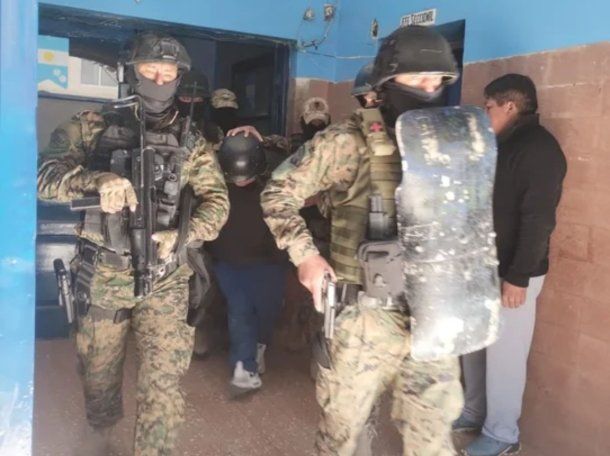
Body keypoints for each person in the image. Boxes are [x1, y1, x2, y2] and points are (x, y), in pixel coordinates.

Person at [260, 25, 463, 455]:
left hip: (433, 311)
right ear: (387, 82)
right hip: (364, 316)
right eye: (416, 79)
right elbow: (277, 193)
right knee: (342, 434)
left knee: (433, 437)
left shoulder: (449, 141)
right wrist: (305, 256)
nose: (429, 90)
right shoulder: (347, 141)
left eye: (437, 81)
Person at [37, 32, 229, 455]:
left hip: (167, 275)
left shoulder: (192, 141)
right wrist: (96, 180)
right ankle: (102, 431)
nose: (160, 80)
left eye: (169, 72)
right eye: (150, 70)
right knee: (98, 373)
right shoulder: (91, 125)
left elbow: (218, 203)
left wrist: (183, 235)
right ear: (130, 72)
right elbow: (44, 177)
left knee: (164, 383)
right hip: (104, 274)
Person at [454, 74, 567, 456]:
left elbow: (539, 220)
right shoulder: (498, 145)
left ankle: (502, 434)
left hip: (514, 273)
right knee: (474, 344)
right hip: (482, 266)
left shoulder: (540, 150)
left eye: (488, 107)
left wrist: (518, 278)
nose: (483, 113)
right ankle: (473, 411)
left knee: (505, 355)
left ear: (510, 106)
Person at [207, 133, 289, 397]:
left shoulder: (275, 187)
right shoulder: (213, 188)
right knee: (240, 311)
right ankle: (244, 366)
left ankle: (258, 347)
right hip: (229, 263)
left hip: (268, 264)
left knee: (266, 311)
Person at [176, 69, 224, 144]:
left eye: (197, 99)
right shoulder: (164, 125)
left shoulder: (213, 131)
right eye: (186, 99)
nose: (191, 103)